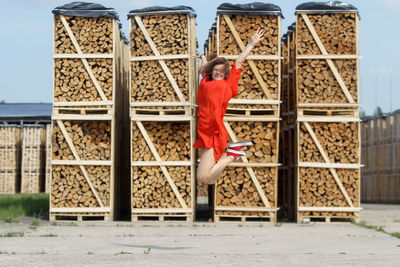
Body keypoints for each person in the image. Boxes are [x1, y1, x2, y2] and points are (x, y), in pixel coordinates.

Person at [193, 28, 265, 185]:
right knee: (207, 179)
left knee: (203, 178)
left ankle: (232, 154)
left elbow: (238, 62)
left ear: (225, 74)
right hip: (203, 133)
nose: (218, 73)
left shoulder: (228, 85)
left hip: (214, 134)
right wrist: (203, 58)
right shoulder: (205, 81)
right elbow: (205, 69)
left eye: (221, 71)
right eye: (216, 70)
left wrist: (251, 43)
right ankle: (232, 154)